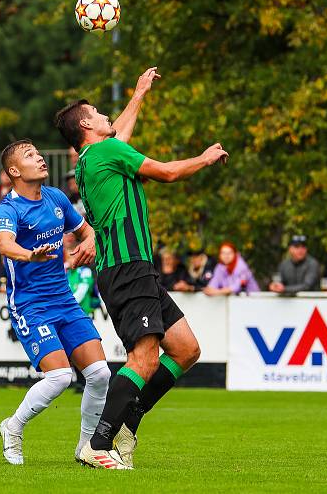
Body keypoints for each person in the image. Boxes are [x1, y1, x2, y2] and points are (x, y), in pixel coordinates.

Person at [56, 66, 226, 469]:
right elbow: (166, 172)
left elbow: (120, 135)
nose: (105, 116)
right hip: (127, 268)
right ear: (86, 124)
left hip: (130, 269)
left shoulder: (92, 159)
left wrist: (139, 94)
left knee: (185, 350)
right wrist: (203, 158)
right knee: (145, 359)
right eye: (98, 112)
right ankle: (98, 444)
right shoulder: (105, 153)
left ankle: (130, 417)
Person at [0, 139, 107, 468]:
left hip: (64, 299)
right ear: (14, 171)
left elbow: (89, 231)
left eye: (39, 154)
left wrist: (87, 245)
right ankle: (13, 427)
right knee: (60, 377)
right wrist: (29, 254)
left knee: (100, 373)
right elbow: (4, 244)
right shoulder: (9, 208)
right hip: (30, 304)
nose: (40, 158)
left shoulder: (57, 198)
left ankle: (86, 447)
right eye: (31, 156)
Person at [64, 236, 97, 315]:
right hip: (71, 311)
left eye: (72, 257)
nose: (70, 260)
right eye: (68, 257)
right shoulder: (67, 273)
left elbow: (81, 292)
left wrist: (67, 304)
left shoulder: (85, 271)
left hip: (85, 313)